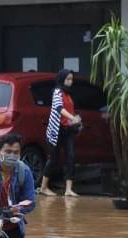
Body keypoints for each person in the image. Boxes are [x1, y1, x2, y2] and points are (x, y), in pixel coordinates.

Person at [40, 69, 82, 197]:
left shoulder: (68, 94)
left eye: (71, 79)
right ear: (62, 79)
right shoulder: (57, 92)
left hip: (67, 130)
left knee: (70, 157)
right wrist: (72, 118)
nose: (70, 81)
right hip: (56, 130)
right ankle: (43, 187)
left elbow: (69, 110)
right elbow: (59, 108)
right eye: (68, 79)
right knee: (53, 158)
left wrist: (76, 119)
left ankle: (68, 189)